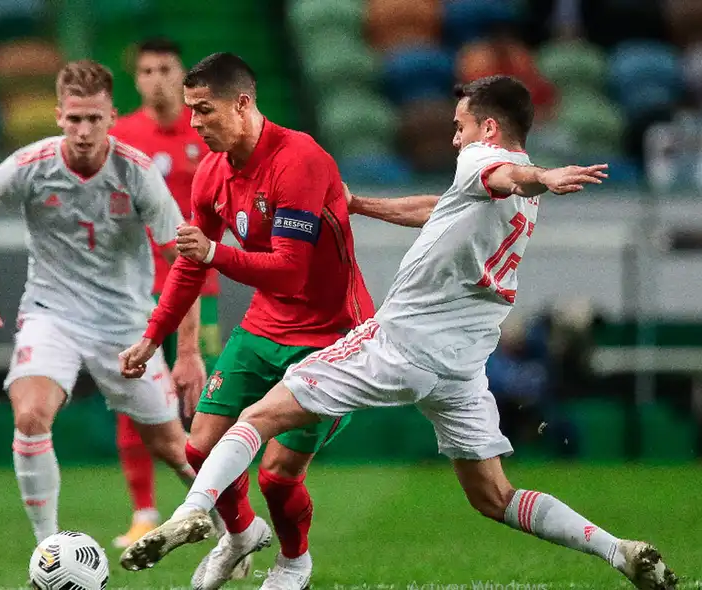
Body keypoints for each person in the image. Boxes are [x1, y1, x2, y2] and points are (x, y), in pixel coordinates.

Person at [121, 75, 678, 590]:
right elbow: (442, 209)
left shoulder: (492, 162)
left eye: (459, 127)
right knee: (494, 496)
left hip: (400, 343)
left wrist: (543, 176)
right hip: (460, 366)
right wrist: (360, 204)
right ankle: (616, 550)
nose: (456, 141)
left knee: (256, 418)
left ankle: (192, 512)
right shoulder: (510, 194)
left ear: (487, 128)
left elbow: (502, 172)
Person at [117, 52, 378, 589]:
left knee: (278, 475)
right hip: (265, 327)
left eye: (205, 110)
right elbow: (190, 264)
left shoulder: (299, 160)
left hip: (333, 337)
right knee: (199, 445)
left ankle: (294, 564)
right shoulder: (212, 172)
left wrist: (214, 252)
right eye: (190, 111)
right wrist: (153, 337)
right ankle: (239, 535)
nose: (194, 123)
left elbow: (288, 272)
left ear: (243, 103)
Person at [0, 59, 209, 545]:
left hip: (125, 326)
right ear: (58, 117)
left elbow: (185, 259)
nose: (84, 130)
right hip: (52, 316)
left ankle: (234, 532)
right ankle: (47, 549)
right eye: (74, 119)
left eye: (94, 119)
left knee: (173, 447)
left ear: (112, 117)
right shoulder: (31, 166)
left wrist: (189, 351)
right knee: (29, 415)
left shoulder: (137, 173)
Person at [108, 37, 219, 550]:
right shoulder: (121, 135)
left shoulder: (208, 133)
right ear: (136, 79)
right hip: (136, 291)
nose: (156, 78)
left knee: (206, 402)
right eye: (146, 69)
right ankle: (144, 512)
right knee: (136, 399)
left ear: (182, 74)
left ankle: (215, 508)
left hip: (201, 287)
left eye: (165, 68)